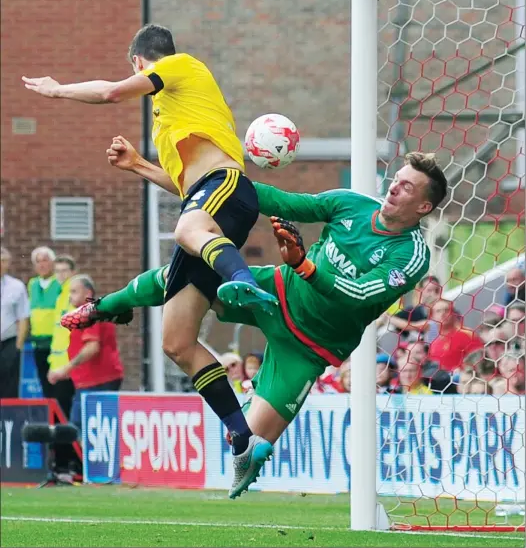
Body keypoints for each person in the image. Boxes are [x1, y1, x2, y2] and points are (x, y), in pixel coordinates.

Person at [62, 148, 448, 497]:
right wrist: (228, 181)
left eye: (407, 187)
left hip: (309, 348)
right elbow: (281, 201)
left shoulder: (411, 255)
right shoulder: (351, 204)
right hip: (273, 293)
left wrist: (305, 265)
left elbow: (360, 295)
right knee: (185, 277)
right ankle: (104, 306)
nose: (394, 188)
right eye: (396, 179)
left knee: (249, 451)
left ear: (423, 208)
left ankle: (251, 422)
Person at [25, 24, 277, 468]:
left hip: (227, 189)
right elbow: (185, 187)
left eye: (135, 70)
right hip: (205, 201)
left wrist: (58, 91)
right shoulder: (173, 114)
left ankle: (239, 278)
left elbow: (110, 94)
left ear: (139, 62)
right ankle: (244, 438)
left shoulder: (181, 66)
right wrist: (139, 165)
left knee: (185, 229)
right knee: (176, 341)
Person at [48, 275, 124, 430]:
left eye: (74, 291)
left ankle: (93, 456)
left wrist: (65, 369)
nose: (70, 296)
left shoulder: (90, 312)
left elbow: (92, 347)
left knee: (80, 427)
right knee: (93, 428)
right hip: (94, 379)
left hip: (97, 380)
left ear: (87, 293)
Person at [28, 246, 62, 398]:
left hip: (56, 342)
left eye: (45, 260)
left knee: (58, 384)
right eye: (38, 261)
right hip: (38, 343)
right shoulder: (32, 284)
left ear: (52, 263)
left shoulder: (59, 283)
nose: (42, 264)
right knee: (44, 383)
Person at [47, 255, 77, 417]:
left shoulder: (71, 295)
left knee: (63, 411)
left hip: (67, 364)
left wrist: (64, 366)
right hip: (59, 363)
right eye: (57, 271)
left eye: (64, 271)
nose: (60, 275)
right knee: (60, 410)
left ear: (72, 272)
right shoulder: (60, 296)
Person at [0, 247, 30, 398]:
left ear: (8, 264)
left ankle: (8, 419)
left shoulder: (16, 286)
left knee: (9, 386)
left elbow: (24, 317)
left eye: (4, 260)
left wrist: (18, 345)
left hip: (8, 342)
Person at [428, 299, 484, 373]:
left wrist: (461, 369)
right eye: (438, 311)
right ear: (431, 317)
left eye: (446, 310)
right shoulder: (433, 343)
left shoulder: (466, 334)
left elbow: (480, 358)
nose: (443, 313)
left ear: (453, 313)